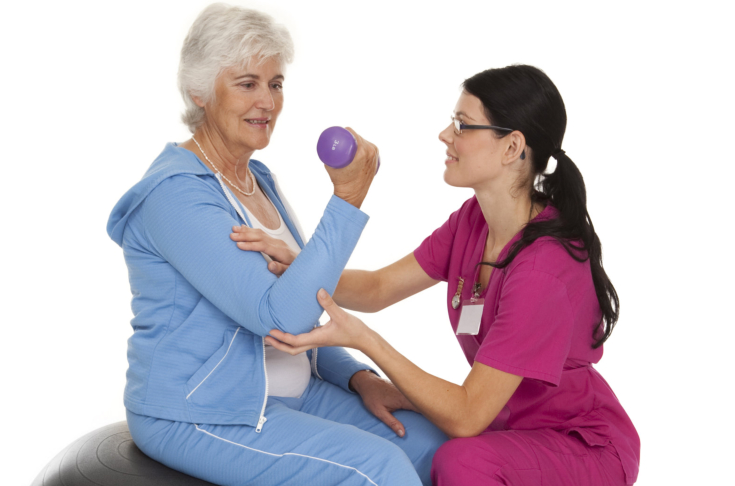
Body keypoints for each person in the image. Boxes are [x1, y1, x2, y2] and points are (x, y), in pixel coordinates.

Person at [238, 65, 641, 485]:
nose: (445, 135)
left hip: (581, 446)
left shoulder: (545, 270)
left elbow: (467, 416)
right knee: (417, 440)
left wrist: (365, 341)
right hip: (509, 427)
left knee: (461, 461)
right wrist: (303, 266)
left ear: (511, 147)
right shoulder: (473, 222)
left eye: (462, 125)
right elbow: (378, 288)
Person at [106, 4, 447, 486]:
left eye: (275, 83)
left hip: (292, 392)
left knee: (431, 445)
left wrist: (357, 377)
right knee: (378, 469)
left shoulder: (256, 179)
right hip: (202, 409)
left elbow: (309, 301)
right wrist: (347, 200)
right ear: (199, 91)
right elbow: (281, 315)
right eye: (247, 84)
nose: (266, 101)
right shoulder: (175, 193)